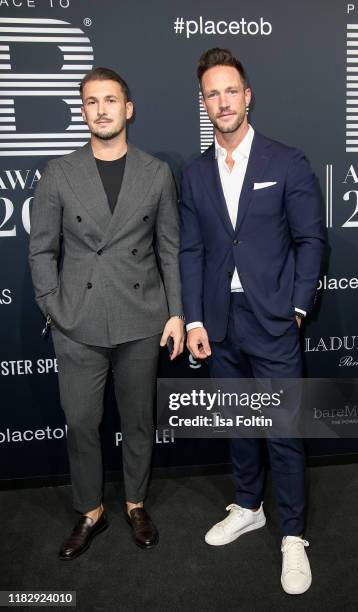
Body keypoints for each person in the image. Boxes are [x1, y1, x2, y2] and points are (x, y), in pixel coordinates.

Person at [179, 48, 325, 595]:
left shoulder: (286, 162)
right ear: (205, 102)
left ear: (248, 96)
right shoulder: (194, 174)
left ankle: (292, 533)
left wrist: (296, 305)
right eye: (212, 93)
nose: (223, 101)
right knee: (239, 425)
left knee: (284, 430)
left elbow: (311, 240)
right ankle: (247, 505)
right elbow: (190, 251)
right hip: (219, 323)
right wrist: (194, 320)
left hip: (272, 321)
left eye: (230, 91)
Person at [29, 67, 184, 560]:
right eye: (92, 102)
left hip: (142, 317)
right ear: (83, 111)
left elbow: (169, 250)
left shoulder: (156, 172)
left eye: (110, 100)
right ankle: (90, 509)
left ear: (128, 108)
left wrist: (176, 313)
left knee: (139, 420)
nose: (102, 109)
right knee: (80, 421)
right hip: (78, 320)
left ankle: (136, 503)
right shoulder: (59, 173)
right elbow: (40, 250)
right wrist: (53, 304)